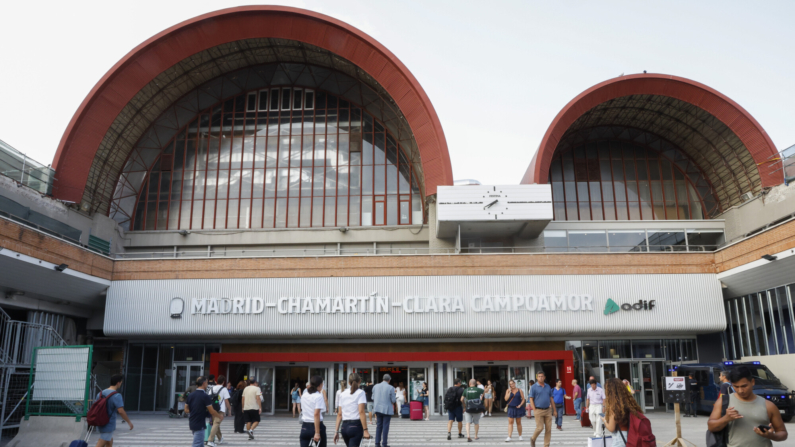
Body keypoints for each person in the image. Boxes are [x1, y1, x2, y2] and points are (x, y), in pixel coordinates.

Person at [708, 366, 788, 446]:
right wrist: (726, 418)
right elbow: (711, 427)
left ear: (752, 382)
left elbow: (783, 433)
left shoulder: (769, 406)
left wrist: (771, 435)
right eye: (736, 386)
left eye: (744, 386)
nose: (740, 390)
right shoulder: (723, 402)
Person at [601, 378, 643, 447]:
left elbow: (611, 428)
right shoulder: (630, 403)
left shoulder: (614, 406)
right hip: (632, 436)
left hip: (620, 439)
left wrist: (604, 420)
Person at [94, 374, 133, 447]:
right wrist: (129, 422)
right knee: (102, 440)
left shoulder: (100, 393)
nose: (121, 384)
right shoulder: (116, 395)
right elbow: (121, 411)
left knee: (109, 440)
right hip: (109, 423)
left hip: (100, 421)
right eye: (121, 382)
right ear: (118, 383)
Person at [185, 376, 223, 447]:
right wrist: (219, 416)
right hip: (200, 423)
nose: (207, 384)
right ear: (204, 383)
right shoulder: (205, 396)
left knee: (200, 443)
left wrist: (195, 409)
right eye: (207, 383)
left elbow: (186, 409)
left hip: (192, 422)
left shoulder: (190, 395)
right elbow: (212, 411)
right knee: (197, 444)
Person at [334, 373, 370, 446]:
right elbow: (361, 412)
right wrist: (365, 430)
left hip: (344, 427)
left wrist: (336, 431)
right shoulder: (361, 393)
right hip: (355, 426)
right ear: (360, 381)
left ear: (348, 382)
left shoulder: (342, 394)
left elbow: (339, 414)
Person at [300, 375, 328, 447]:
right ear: (320, 385)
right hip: (316, 426)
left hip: (305, 426)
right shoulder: (318, 396)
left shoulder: (304, 395)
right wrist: (317, 432)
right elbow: (316, 414)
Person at [529, 371, 556, 447]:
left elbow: (551, 398)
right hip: (538, 410)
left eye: (542, 376)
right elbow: (531, 398)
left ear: (544, 377)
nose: (541, 378)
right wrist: (534, 409)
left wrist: (554, 410)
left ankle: (546, 445)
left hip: (548, 410)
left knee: (548, 429)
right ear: (537, 377)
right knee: (540, 427)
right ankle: (533, 438)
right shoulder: (534, 387)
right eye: (539, 376)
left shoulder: (548, 386)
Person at [372, 373, 396, 447]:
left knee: (379, 426)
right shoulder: (391, 387)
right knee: (385, 426)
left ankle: (377, 443)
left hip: (378, 409)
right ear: (389, 380)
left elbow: (373, 398)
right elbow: (393, 400)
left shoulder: (375, 386)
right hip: (387, 410)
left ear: (383, 379)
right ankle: (384, 444)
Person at [206, 375, 230, 446]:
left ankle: (220, 438)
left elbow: (208, 398)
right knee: (216, 424)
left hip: (212, 409)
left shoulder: (212, 389)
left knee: (215, 424)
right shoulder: (224, 389)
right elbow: (226, 401)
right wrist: (229, 410)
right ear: (223, 382)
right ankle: (210, 440)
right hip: (220, 409)